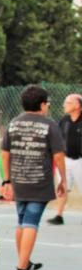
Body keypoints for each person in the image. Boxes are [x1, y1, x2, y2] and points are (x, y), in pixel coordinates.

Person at [0, 85, 66, 270]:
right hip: (39, 181)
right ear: (42, 104)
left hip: (18, 180)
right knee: (31, 222)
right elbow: (59, 155)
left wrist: (7, 180)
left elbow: (5, 154)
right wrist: (62, 178)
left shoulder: (14, 123)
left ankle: (25, 263)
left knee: (21, 222)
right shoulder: (49, 125)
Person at [47, 93, 82, 225]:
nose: (64, 105)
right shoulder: (64, 121)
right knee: (63, 187)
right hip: (66, 160)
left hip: (80, 161)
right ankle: (59, 215)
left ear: (78, 105)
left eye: (68, 103)